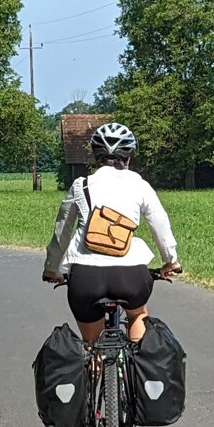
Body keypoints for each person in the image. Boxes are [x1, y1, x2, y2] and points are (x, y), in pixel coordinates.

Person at [43, 121, 180, 346]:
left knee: (92, 345)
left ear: (96, 156)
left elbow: (62, 232)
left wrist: (52, 269)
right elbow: (160, 224)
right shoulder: (140, 185)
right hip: (131, 276)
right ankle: (139, 365)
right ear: (128, 157)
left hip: (86, 277)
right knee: (137, 315)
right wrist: (170, 261)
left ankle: (94, 368)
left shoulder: (81, 185)